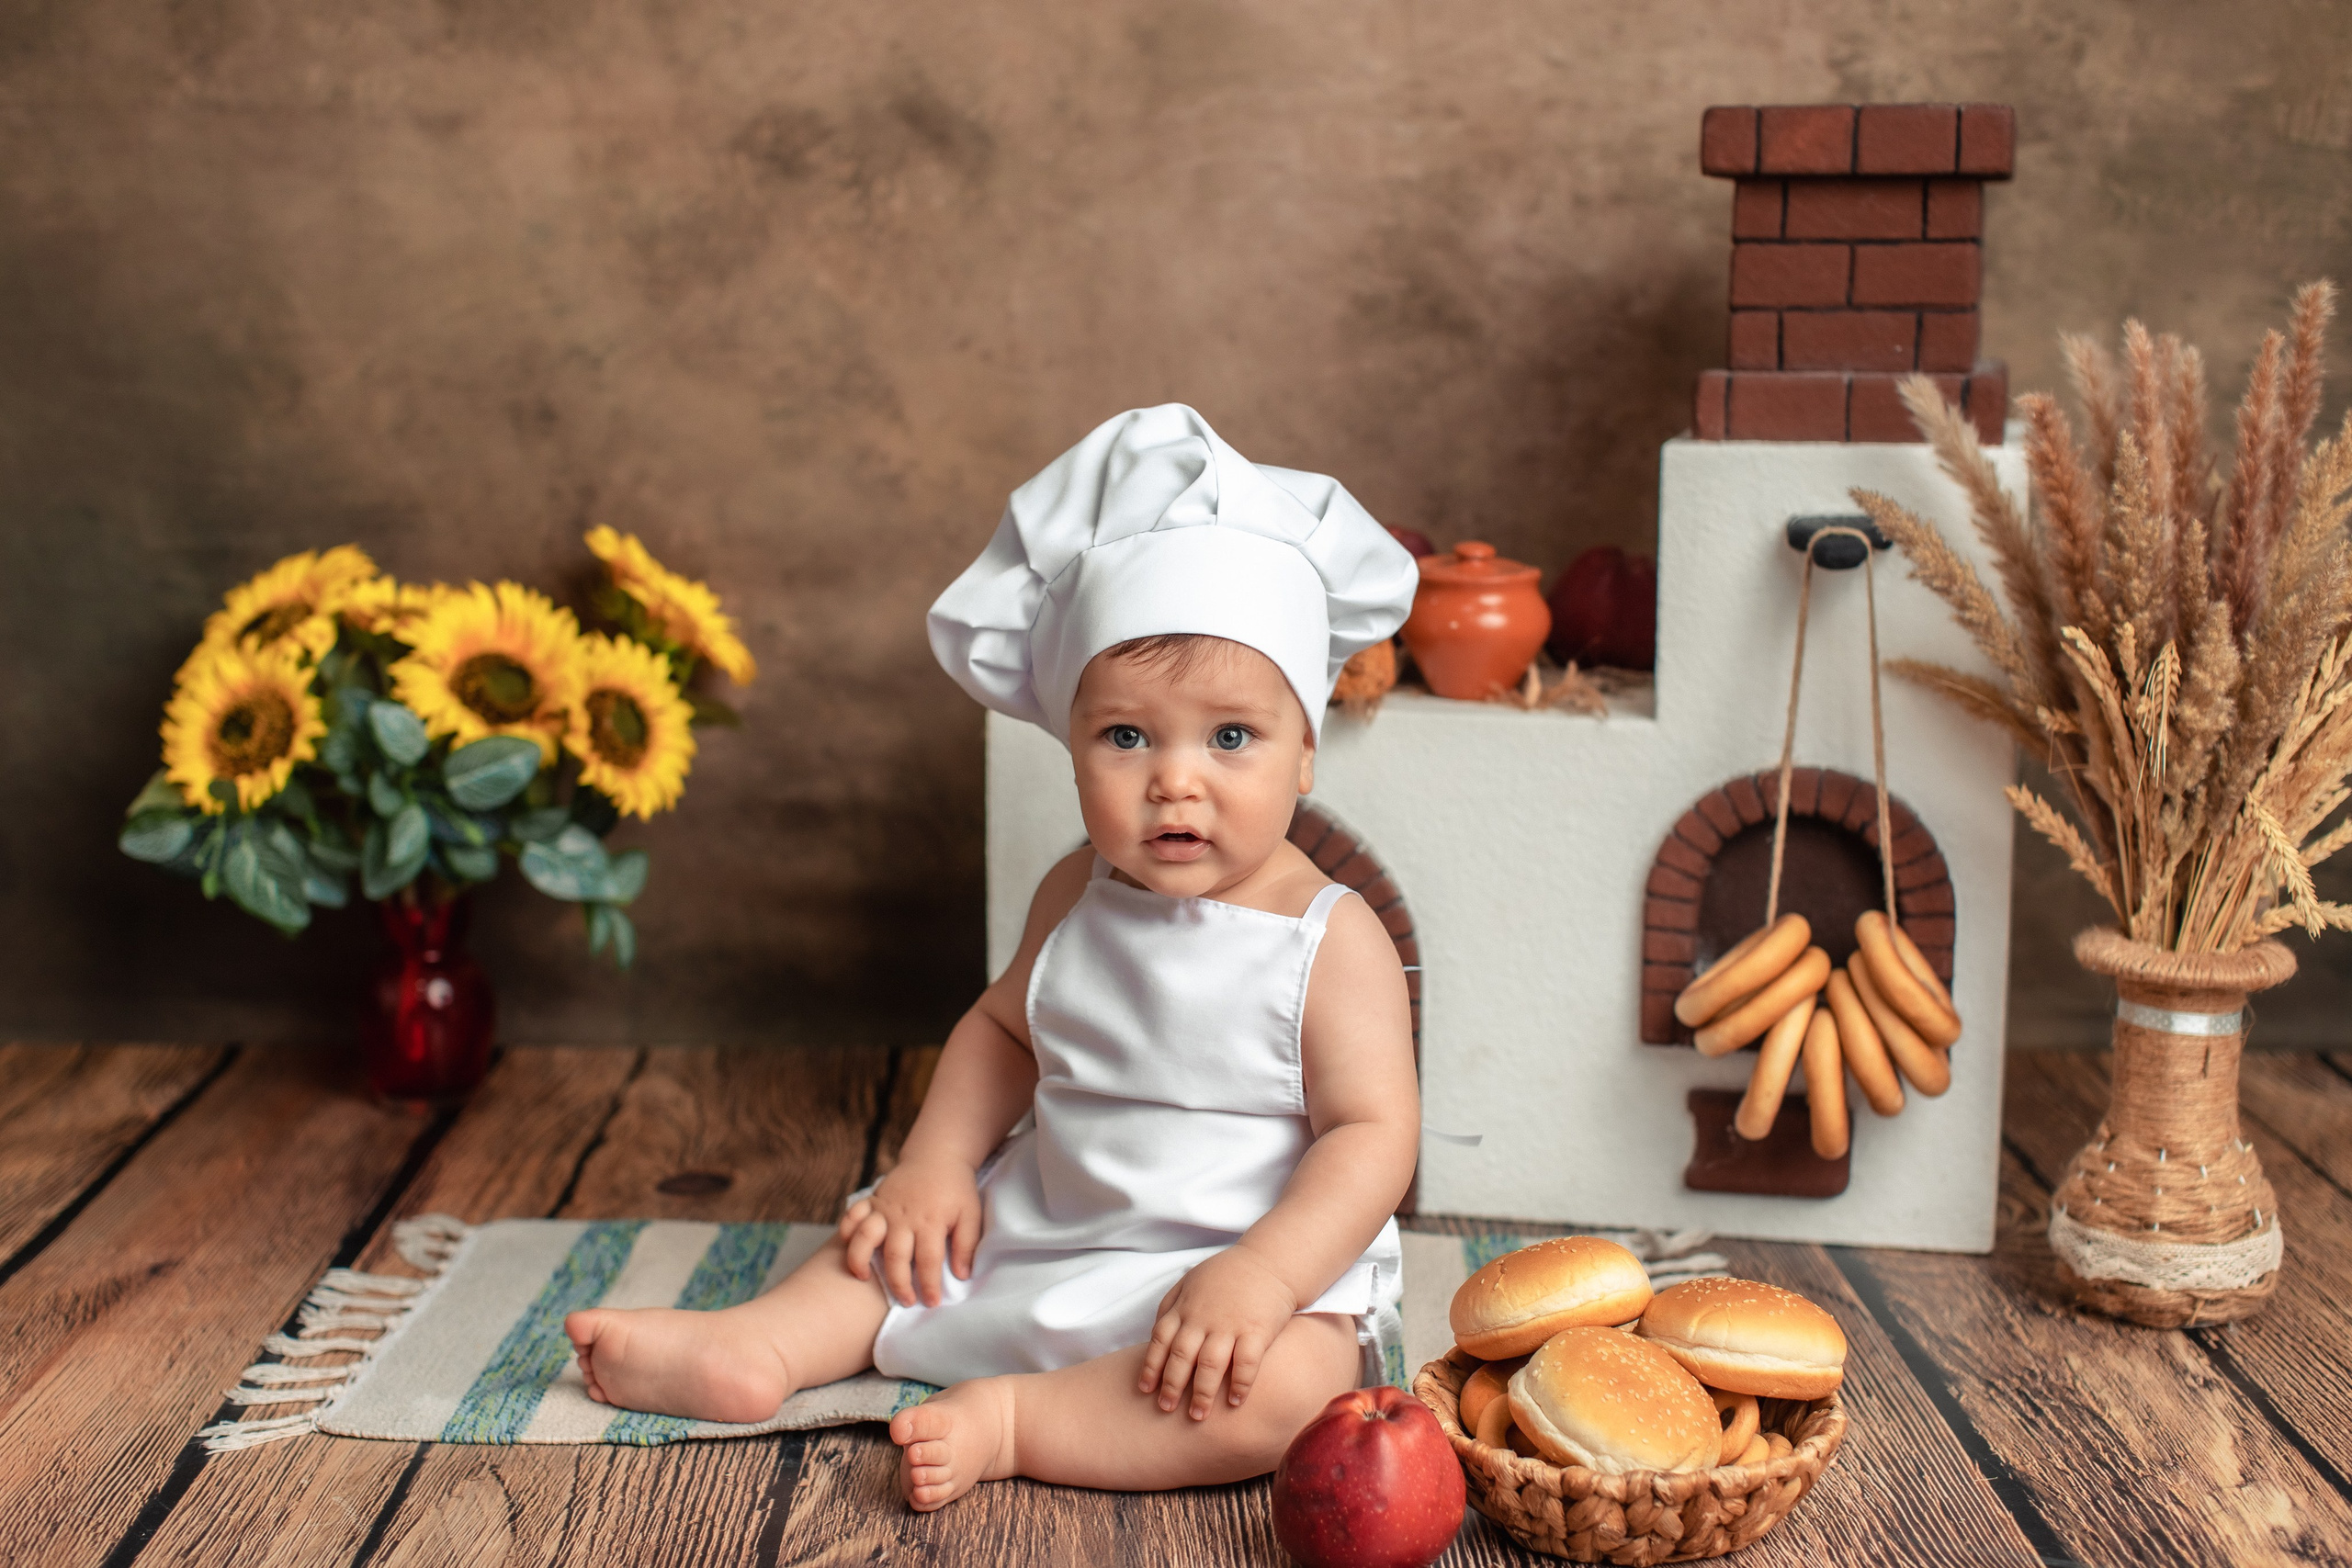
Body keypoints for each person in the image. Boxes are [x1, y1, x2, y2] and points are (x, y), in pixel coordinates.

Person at [564, 404, 1422, 1509]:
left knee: (1289, 1391)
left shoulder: (1328, 937)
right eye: (1125, 736)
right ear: (1070, 748)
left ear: (1304, 752)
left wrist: (1264, 1273)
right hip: (1047, 1222)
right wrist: (932, 1166)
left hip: (1231, 1266)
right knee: (889, 1244)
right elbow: (1004, 1031)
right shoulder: (1076, 892)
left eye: (1230, 737)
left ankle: (1021, 1419)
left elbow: (1371, 1134)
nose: (1175, 779)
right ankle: (759, 1345)